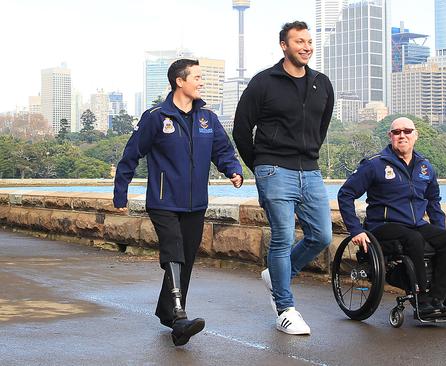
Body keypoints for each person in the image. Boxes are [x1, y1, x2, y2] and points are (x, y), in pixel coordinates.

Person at [113, 59, 243, 346]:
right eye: (197, 77)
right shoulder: (156, 117)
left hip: (196, 203)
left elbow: (222, 150)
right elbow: (131, 154)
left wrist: (233, 169)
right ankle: (179, 314)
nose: (202, 81)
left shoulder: (207, 117)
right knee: (173, 252)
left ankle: (167, 312)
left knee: (186, 258)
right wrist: (120, 193)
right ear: (179, 81)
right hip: (163, 200)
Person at [233, 21, 334, 335]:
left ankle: (278, 273)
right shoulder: (264, 82)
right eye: (298, 41)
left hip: (311, 170)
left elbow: (321, 126)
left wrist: (310, 154)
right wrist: (261, 167)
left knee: (322, 236)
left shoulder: (322, 83)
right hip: (274, 168)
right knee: (282, 237)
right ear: (284, 46)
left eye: (308, 41)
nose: (305, 46)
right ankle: (285, 309)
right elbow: (240, 129)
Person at [337, 117, 446, 315]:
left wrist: (439, 229)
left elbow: (433, 203)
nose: (402, 135)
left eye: (407, 131)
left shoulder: (426, 167)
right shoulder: (375, 164)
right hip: (383, 225)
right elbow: (346, 194)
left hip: (416, 225)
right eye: (396, 132)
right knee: (413, 238)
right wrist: (356, 230)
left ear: (415, 135)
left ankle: (437, 299)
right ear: (390, 136)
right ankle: (420, 299)